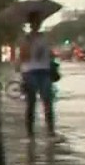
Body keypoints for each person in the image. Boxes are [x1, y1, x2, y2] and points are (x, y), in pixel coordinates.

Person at [16, 11, 56, 139]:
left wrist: (48, 53)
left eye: (38, 22)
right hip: (30, 72)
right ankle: (30, 132)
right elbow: (22, 57)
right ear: (30, 24)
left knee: (48, 101)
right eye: (34, 22)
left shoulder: (45, 37)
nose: (36, 24)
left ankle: (50, 131)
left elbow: (51, 54)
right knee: (31, 103)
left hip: (44, 71)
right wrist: (28, 47)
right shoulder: (25, 38)